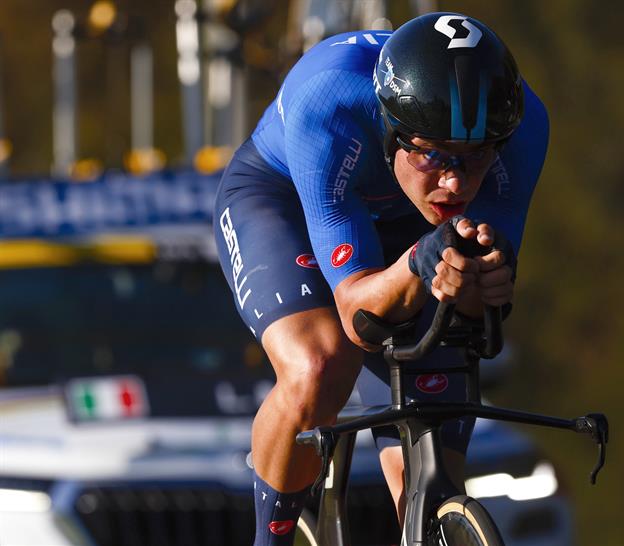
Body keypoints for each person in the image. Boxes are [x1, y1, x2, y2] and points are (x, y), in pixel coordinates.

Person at [213, 11, 549, 546]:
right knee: (321, 364)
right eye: (435, 155)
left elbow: (478, 311)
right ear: (392, 131)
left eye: (476, 156)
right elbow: (359, 318)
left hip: (416, 226)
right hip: (285, 199)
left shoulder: (524, 126)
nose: (456, 182)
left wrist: (483, 285)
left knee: (426, 459)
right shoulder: (331, 99)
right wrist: (418, 261)